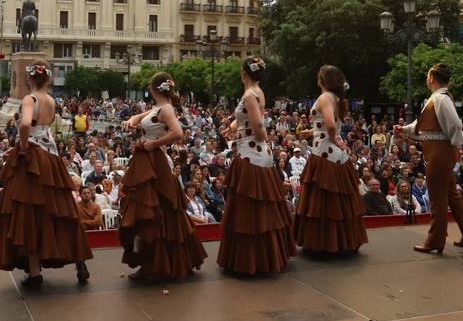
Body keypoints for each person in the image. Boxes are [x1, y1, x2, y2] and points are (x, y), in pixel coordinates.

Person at [0, 60, 92, 288]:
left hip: (33, 156)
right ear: (48, 79)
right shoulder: (51, 100)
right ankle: (79, 259)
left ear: (29, 79)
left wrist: (23, 146)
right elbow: (44, 125)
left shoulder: (30, 99)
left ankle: (35, 272)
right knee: (60, 208)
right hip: (51, 156)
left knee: (30, 212)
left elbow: (26, 124)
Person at [118, 72, 207, 280]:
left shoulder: (165, 109)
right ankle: (160, 262)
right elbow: (144, 116)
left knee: (155, 214)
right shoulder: (159, 107)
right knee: (157, 213)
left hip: (155, 161)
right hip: (150, 161)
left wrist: (153, 143)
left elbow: (178, 133)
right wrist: (133, 119)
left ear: (153, 88)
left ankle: (155, 265)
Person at [218, 57, 296, 275]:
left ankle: (252, 260)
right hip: (256, 154)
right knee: (263, 207)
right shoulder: (257, 92)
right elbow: (245, 117)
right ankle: (268, 255)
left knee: (249, 210)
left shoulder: (249, 95)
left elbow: (260, 129)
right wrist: (234, 127)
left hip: (251, 154)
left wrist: (252, 131)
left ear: (244, 73)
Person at [397, 63, 463, 254]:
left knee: (437, 199)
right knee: (451, 196)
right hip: (438, 151)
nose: (426, 79)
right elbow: (422, 126)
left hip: (438, 153)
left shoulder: (440, 99)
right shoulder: (437, 98)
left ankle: (435, 240)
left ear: (432, 78)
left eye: (427, 76)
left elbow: (456, 126)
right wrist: (404, 129)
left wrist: (455, 146)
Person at [294, 65, 367, 254]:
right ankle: (342, 242)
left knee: (322, 201)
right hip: (335, 154)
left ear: (322, 81)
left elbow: (330, 124)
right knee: (338, 201)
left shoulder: (325, 97)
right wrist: (313, 131)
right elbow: (328, 125)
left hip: (325, 154)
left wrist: (333, 137)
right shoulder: (336, 98)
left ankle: (324, 244)